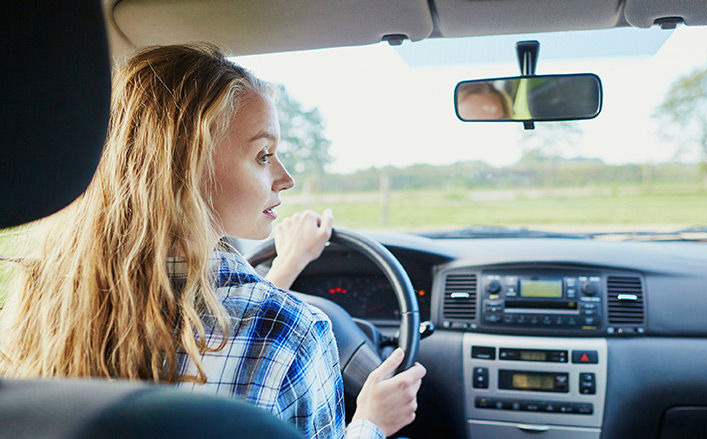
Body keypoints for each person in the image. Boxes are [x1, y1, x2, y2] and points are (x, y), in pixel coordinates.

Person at [0, 44, 425, 439]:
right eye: (264, 155)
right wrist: (369, 422)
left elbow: (200, 313)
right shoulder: (293, 331)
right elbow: (246, 332)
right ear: (189, 166)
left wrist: (287, 265)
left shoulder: (38, 303)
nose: (286, 178)